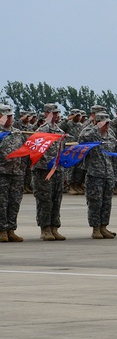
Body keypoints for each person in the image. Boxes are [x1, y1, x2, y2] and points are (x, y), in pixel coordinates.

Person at [79, 112, 117, 238]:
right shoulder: (90, 132)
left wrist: (115, 174)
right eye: (104, 123)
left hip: (109, 173)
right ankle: (95, 228)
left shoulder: (111, 134)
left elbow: (114, 155)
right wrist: (96, 127)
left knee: (107, 202)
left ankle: (103, 227)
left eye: (108, 122)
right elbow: (82, 140)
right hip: (95, 174)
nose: (107, 125)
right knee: (95, 202)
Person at [34, 104, 68, 240]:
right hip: (44, 171)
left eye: (57, 113)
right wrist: (49, 163)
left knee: (56, 199)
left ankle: (54, 227)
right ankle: (45, 228)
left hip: (58, 170)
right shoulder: (42, 130)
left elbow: (62, 151)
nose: (56, 115)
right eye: (53, 113)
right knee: (45, 200)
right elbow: (37, 150)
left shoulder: (59, 131)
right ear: (47, 114)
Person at [0, 105, 26, 242]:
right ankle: (1, 230)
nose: (10, 118)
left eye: (11, 115)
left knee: (14, 202)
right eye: (6, 115)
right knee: (1, 203)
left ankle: (11, 229)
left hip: (16, 173)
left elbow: (24, 151)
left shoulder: (17, 133)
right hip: (2, 173)